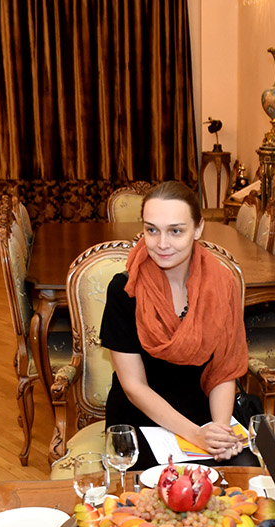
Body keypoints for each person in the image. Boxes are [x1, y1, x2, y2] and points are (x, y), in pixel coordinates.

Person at [100, 180, 258, 471]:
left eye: (175, 231)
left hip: (203, 412)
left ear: (198, 229)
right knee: (161, 486)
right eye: (152, 230)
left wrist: (219, 430)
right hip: (140, 419)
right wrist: (195, 435)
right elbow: (134, 386)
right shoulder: (124, 290)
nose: (162, 243)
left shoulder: (222, 284)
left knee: (244, 473)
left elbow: (224, 369)